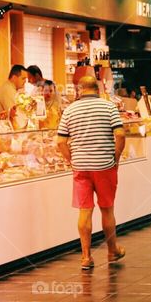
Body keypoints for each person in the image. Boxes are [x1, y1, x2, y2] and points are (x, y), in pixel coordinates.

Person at [56, 75, 127, 270]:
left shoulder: (69, 110)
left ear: (79, 90)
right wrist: (116, 157)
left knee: (84, 211)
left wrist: (71, 160)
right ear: (98, 89)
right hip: (105, 166)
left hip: (81, 168)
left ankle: (86, 257)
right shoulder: (108, 107)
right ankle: (112, 251)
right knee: (107, 209)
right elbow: (120, 134)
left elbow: (61, 141)